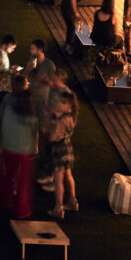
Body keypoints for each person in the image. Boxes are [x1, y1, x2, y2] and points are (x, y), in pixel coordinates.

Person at [0, 77, 39, 220]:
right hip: (23, 152)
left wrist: (1, 145)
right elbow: (34, 133)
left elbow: (3, 126)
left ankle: (2, 201)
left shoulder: (9, 111)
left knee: (5, 176)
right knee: (23, 182)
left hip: (8, 149)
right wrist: (34, 147)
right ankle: (21, 210)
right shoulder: (32, 117)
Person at [44, 90, 79, 218]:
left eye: (63, 103)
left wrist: (50, 125)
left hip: (59, 151)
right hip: (68, 150)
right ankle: (73, 201)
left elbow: (53, 137)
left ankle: (58, 208)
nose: (59, 104)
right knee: (68, 175)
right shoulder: (70, 117)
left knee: (58, 180)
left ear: (69, 106)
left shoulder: (60, 120)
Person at [0, 34, 18, 151]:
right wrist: (10, 72)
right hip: (0, 90)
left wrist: (10, 69)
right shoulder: (0, 57)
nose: (13, 49)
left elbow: (2, 69)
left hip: (1, 89)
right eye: (12, 47)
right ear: (6, 45)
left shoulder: (0, 52)